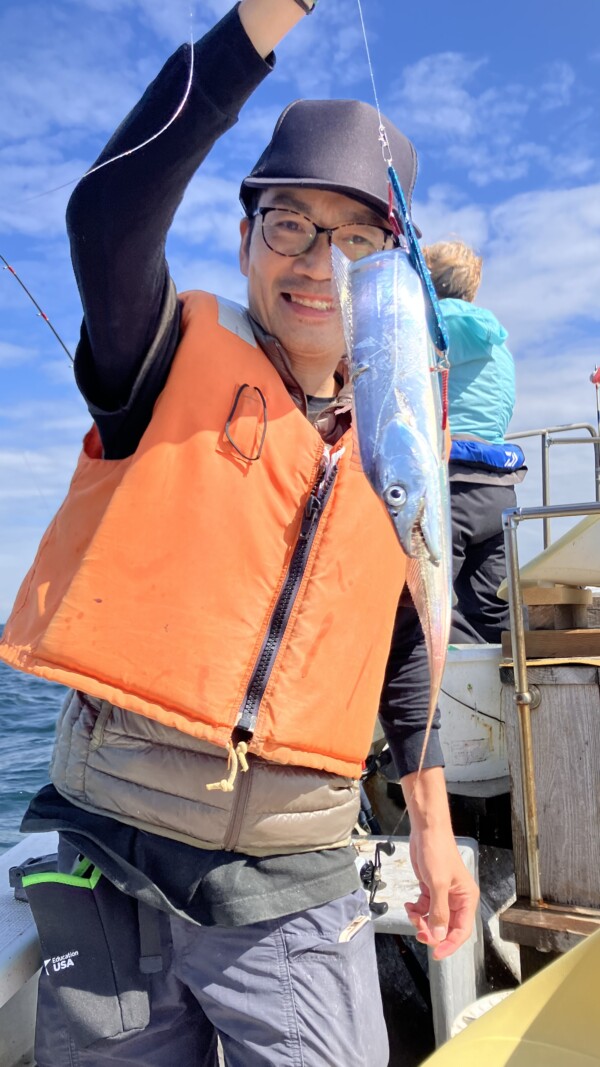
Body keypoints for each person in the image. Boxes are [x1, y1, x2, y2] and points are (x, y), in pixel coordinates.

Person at [0, 3, 479, 1064]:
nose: (320, 262)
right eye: (291, 224)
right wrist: (261, 20)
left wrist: (434, 825)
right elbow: (108, 214)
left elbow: (397, 643)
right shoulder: (158, 353)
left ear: (392, 276)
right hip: (108, 859)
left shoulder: (397, 433)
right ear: (244, 236)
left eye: (358, 239)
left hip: (295, 879)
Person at [422, 240, 526, 644]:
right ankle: (494, 701)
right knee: (489, 607)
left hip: (450, 483)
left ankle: (434, 703)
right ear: (472, 289)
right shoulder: (499, 345)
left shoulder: (425, 331)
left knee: (421, 602)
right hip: (499, 490)